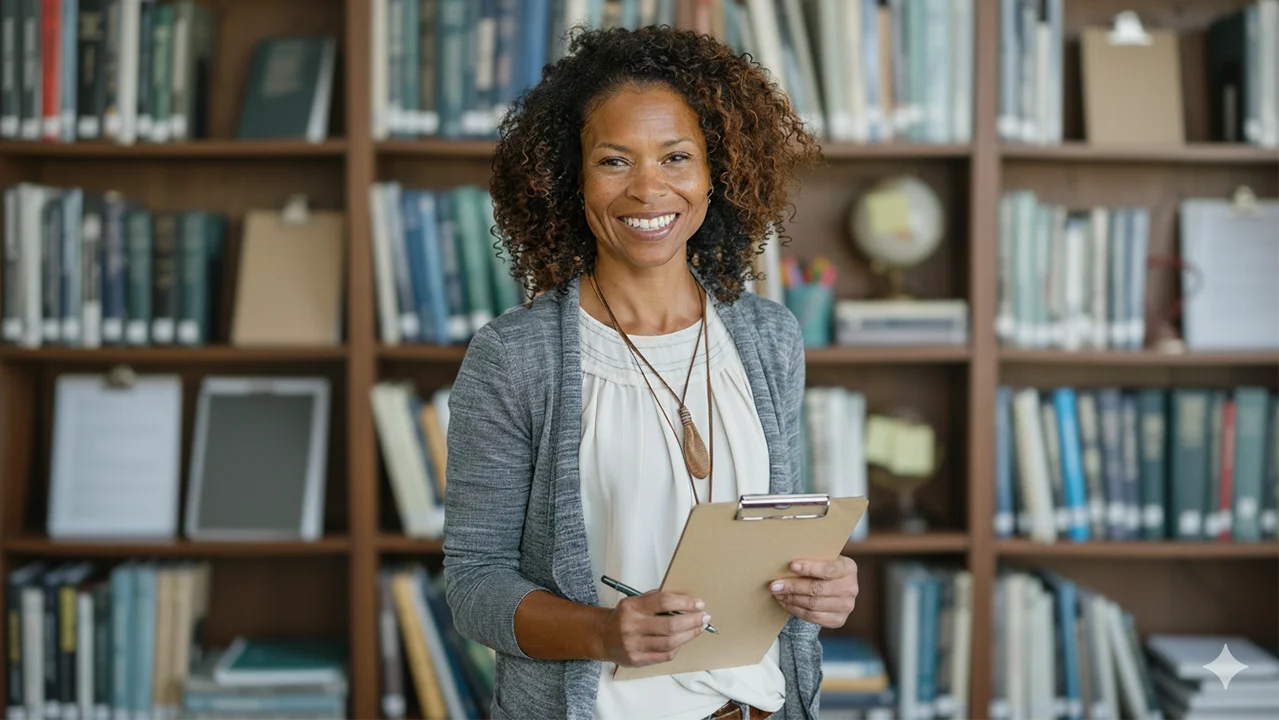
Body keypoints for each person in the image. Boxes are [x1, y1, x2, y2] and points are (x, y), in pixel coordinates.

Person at [442, 24, 859, 720]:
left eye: (675, 157)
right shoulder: (513, 358)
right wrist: (604, 631)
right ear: (570, 179)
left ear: (714, 171)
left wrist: (825, 586)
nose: (648, 189)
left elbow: (778, 538)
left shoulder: (767, 339)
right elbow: (474, 584)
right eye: (613, 161)